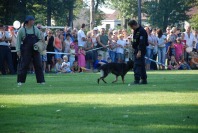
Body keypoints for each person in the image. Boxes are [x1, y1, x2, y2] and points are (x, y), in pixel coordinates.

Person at [16, 15, 45, 85]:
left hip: (36, 50)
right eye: (32, 20)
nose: (33, 22)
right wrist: (18, 50)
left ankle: (41, 81)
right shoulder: (21, 30)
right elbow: (18, 41)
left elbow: (41, 39)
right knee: (24, 65)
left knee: (38, 65)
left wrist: (40, 44)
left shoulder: (36, 29)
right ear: (28, 21)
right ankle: (20, 81)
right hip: (26, 50)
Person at [128, 20, 148, 84]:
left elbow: (141, 42)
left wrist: (139, 51)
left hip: (140, 50)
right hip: (136, 49)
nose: (132, 29)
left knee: (137, 65)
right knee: (141, 65)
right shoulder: (135, 31)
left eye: (131, 27)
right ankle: (144, 79)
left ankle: (136, 80)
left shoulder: (142, 31)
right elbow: (135, 41)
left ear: (134, 25)